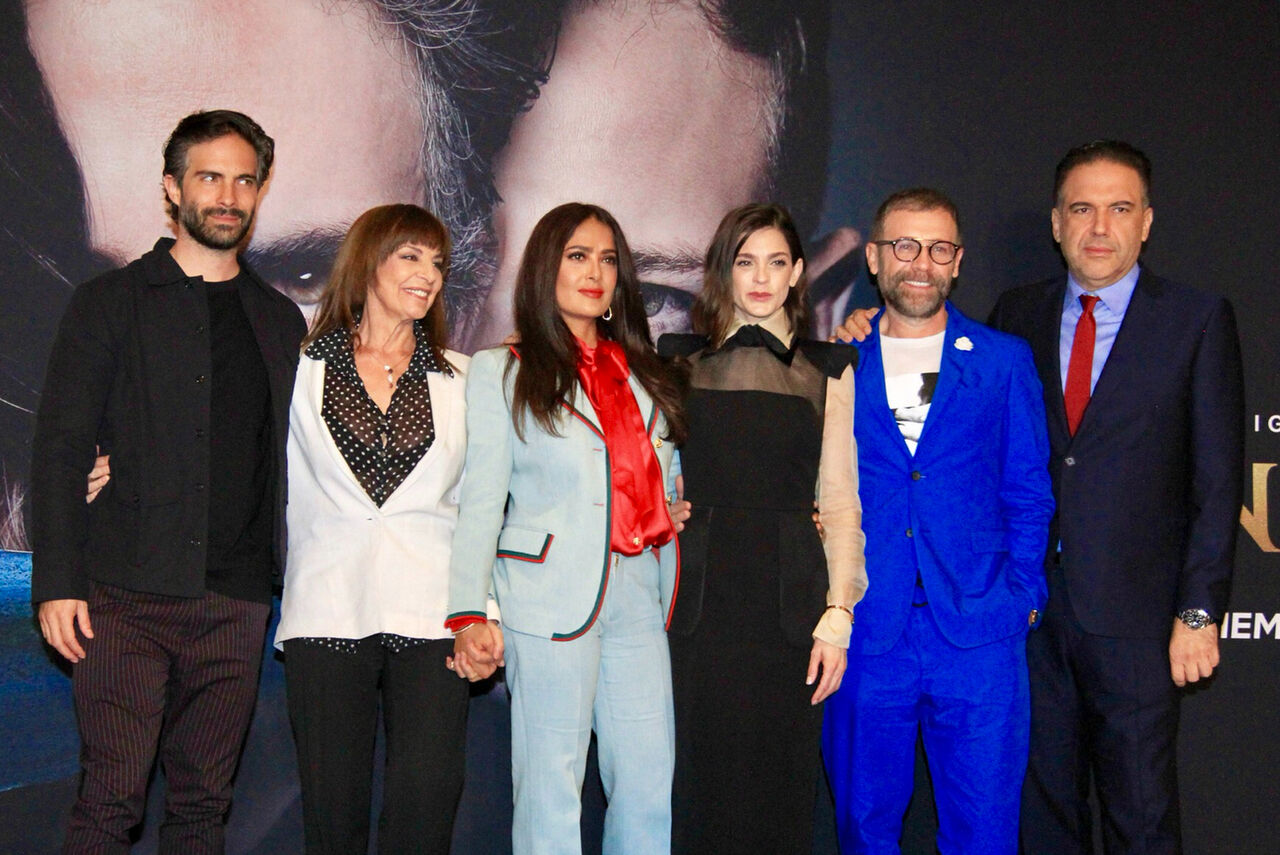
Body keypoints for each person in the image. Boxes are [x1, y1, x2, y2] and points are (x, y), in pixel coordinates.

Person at [29, 110, 306, 851]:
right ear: (172, 187)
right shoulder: (109, 302)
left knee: (204, 807)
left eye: (244, 180)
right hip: (125, 595)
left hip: (237, 602)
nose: (228, 195)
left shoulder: (280, 320)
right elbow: (60, 447)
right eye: (210, 177)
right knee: (110, 800)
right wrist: (57, 581)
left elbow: (292, 457)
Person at [986, 141, 1244, 854]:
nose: (1100, 227)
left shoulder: (1196, 319)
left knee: (1141, 816)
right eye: (1082, 209)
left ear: (1147, 222)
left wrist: (1198, 612)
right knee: (1042, 816)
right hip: (1032, 615)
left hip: (1139, 621)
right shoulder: (1015, 313)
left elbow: (1218, 482)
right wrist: (866, 329)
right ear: (1056, 223)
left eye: (1120, 208)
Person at [446, 202, 686, 855]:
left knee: (647, 782)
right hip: (547, 596)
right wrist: (468, 611)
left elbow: (660, 476)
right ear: (545, 267)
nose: (595, 272)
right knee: (551, 791)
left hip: (638, 594)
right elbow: (482, 500)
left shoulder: (646, 371)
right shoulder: (503, 369)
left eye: (607, 259)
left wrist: (667, 505)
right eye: (577, 256)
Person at [822, 188, 1054, 854]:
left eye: (938, 248)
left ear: (957, 261)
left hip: (979, 633)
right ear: (874, 258)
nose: (921, 262)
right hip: (870, 631)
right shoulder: (838, 360)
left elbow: (1029, 491)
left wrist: (1023, 598)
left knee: (984, 834)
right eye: (904, 245)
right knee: (863, 830)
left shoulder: (1003, 360)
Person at [657, 203, 867, 854]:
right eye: (746, 262)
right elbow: (650, 474)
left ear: (798, 272)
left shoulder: (829, 367)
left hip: (791, 608)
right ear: (724, 269)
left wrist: (839, 614)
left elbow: (840, 501)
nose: (761, 278)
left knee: (779, 790)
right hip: (697, 604)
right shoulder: (676, 360)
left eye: (776, 263)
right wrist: (663, 507)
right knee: (695, 788)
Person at [272, 204, 477, 853]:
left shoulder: (465, 377)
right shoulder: (297, 367)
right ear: (367, 262)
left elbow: (483, 507)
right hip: (328, 606)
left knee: (427, 804)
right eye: (410, 256)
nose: (428, 274)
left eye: (438, 262)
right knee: (333, 814)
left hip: (434, 613)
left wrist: (482, 612)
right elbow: (226, 449)